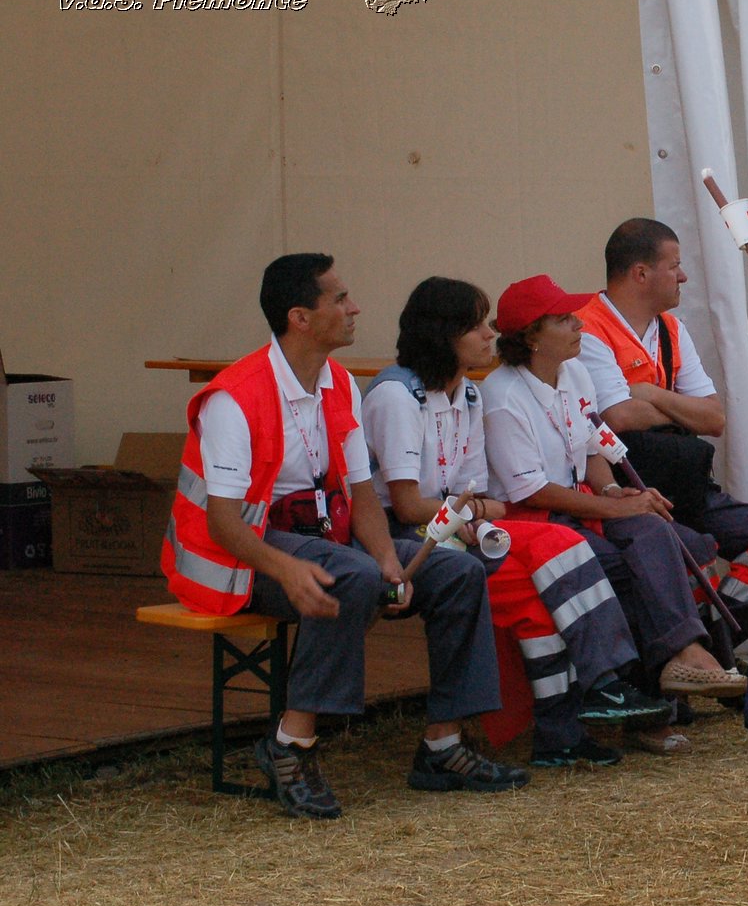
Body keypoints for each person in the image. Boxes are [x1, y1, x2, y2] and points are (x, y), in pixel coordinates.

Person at [161, 253, 526, 820]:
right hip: (236, 557)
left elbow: (362, 495)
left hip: (321, 544)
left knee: (456, 570)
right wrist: (287, 569)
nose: (355, 308)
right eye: (340, 299)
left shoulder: (338, 383)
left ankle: (443, 746)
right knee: (346, 575)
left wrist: (389, 560)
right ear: (301, 317)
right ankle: (290, 746)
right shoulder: (234, 396)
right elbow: (223, 523)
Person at [363, 276, 673, 768]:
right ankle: (605, 683)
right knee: (557, 542)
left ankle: (561, 734)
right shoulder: (398, 396)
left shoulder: (466, 393)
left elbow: (477, 495)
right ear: (443, 335)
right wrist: (475, 511)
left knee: (536, 597)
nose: (489, 336)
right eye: (475, 326)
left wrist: (476, 511)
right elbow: (407, 508)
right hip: (409, 540)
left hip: (459, 529)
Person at [479, 274, 748, 712]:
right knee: (627, 562)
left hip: (579, 502)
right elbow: (534, 492)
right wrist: (611, 503)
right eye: (564, 320)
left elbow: (590, 445)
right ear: (531, 336)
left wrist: (611, 489)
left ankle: (686, 658)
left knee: (657, 529)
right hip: (533, 518)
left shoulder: (575, 373)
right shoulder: (503, 395)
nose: (578, 326)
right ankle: (664, 681)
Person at [576, 218, 748, 655]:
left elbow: (714, 418)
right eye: (675, 265)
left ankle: (718, 637)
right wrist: (676, 409)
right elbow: (617, 415)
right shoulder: (588, 329)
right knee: (696, 550)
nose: (683, 276)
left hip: (685, 484)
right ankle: (707, 651)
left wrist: (649, 393)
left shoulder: (671, 328)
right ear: (641, 273)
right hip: (628, 486)